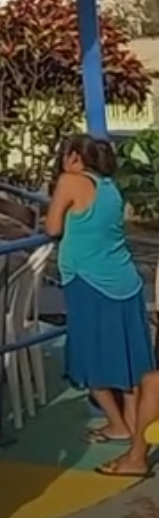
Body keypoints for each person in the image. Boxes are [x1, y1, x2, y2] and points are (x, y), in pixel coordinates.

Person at [46, 134, 153, 453]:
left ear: (75, 157)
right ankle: (131, 422)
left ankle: (117, 423)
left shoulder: (70, 181)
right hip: (124, 279)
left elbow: (52, 228)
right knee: (128, 356)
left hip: (88, 279)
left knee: (88, 354)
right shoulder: (110, 187)